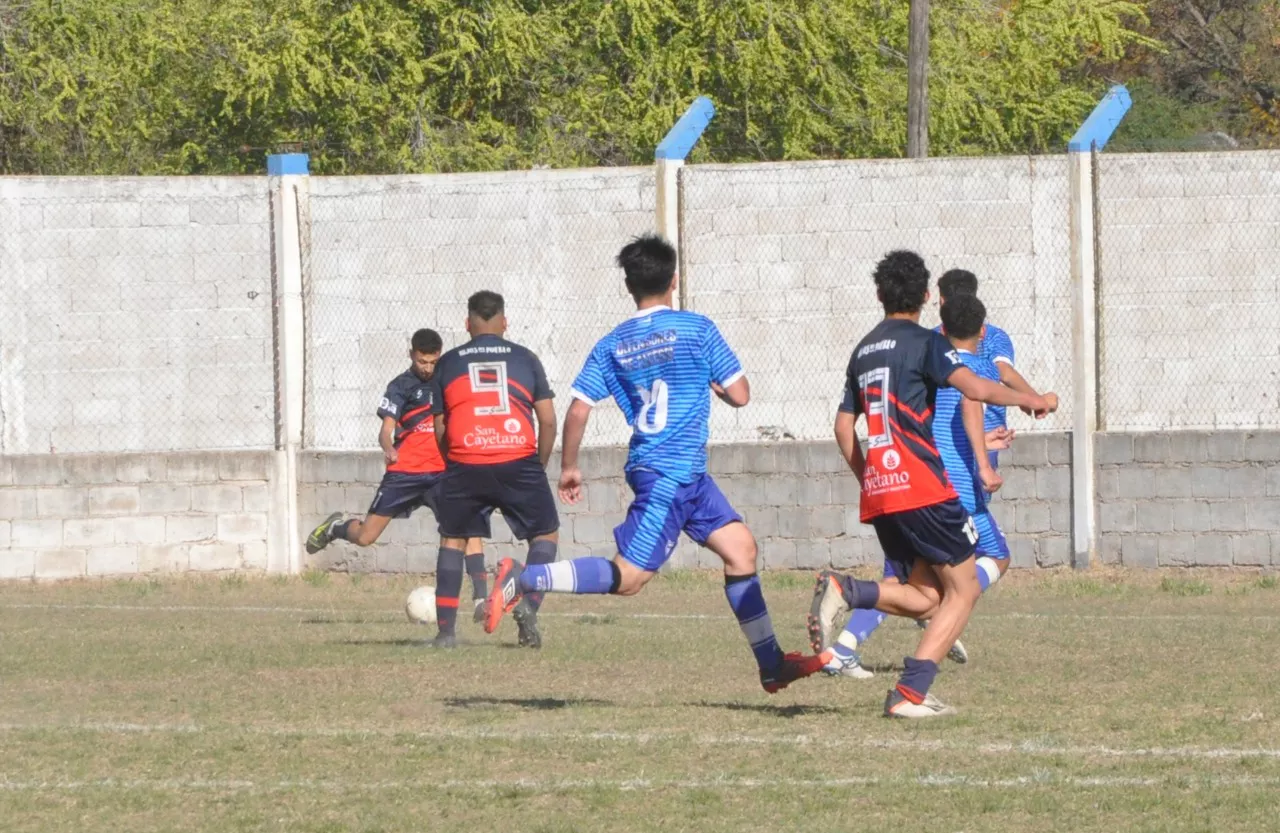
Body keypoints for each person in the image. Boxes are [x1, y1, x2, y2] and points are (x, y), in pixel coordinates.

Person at [485, 234, 829, 693]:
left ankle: (771, 664)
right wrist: (713, 385)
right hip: (670, 474)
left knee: (741, 548)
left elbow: (580, 407)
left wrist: (568, 466)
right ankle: (524, 576)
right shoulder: (697, 329)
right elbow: (741, 394)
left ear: (629, 287)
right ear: (674, 280)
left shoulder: (612, 343)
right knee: (629, 580)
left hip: (682, 474)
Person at [807, 250, 1056, 718]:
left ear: (879, 294)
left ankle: (846, 590)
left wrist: (870, 479)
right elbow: (977, 390)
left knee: (927, 596)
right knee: (964, 589)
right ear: (926, 297)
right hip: (922, 486)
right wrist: (1031, 399)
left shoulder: (861, 350)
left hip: (881, 490)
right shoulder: (927, 343)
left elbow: (843, 429)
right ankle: (909, 694)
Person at [814, 293, 1021, 681]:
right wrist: (1028, 403)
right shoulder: (939, 354)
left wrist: (868, 479)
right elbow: (972, 398)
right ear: (980, 329)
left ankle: (848, 624)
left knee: (918, 589)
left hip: (889, 486)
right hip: (934, 489)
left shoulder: (875, 351)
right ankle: (907, 680)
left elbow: (851, 427)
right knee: (969, 578)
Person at [306, 328, 489, 637]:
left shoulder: (448, 382)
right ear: (411, 355)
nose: (428, 368)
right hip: (404, 473)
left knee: (465, 529)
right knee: (366, 537)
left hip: (442, 473)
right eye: (422, 361)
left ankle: (482, 598)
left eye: (433, 361)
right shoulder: (399, 386)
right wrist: (388, 448)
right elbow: (385, 429)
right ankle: (336, 527)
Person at [435, 291, 560, 649]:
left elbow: (441, 426)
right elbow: (548, 421)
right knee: (545, 536)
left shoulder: (448, 362)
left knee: (453, 539)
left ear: (467, 324)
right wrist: (538, 466)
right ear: (504, 322)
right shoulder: (526, 358)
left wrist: (453, 460)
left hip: (465, 461)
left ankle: (445, 635)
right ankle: (529, 608)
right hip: (519, 459)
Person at [936, 269, 1042, 470]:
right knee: (977, 492)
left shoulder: (932, 338)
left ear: (942, 301)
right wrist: (1036, 401)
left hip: (945, 440)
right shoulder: (994, 335)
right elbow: (1004, 372)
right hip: (988, 435)